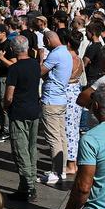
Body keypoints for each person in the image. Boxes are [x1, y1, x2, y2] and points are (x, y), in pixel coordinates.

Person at [4, 35, 43, 199]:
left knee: (21, 150)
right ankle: (26, 184)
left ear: (13, 50)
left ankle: (28, 186)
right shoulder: (35, 65)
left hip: (19, 112)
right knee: (31, 148)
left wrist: (6, 106)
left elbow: (9, 96)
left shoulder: (15, 68)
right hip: (34, 110)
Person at [38, 31, 73, 186]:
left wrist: (41, 58)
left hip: (51, 100)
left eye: (45, 42)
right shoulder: (66, 53)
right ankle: (61, 169)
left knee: (53, 138)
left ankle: (56, 172)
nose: (45, 45)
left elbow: (40, 71)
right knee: (61, 136)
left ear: (48, 39)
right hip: (60, 99)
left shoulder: (55, 54)